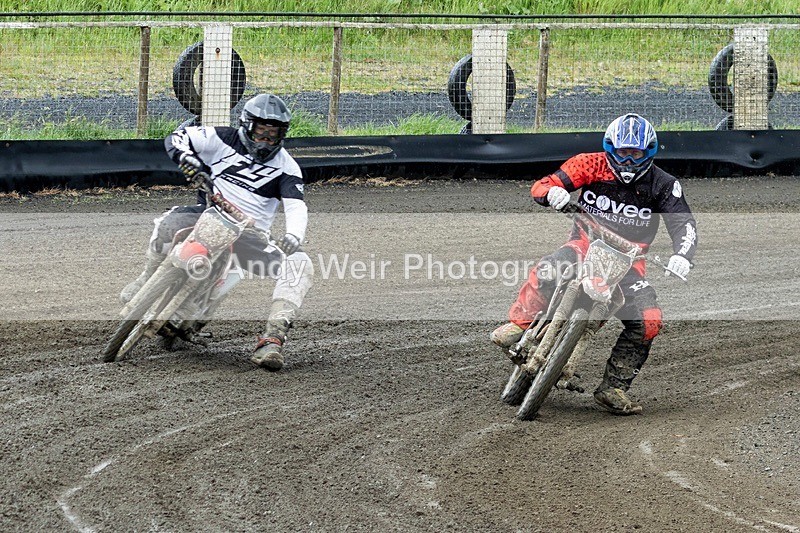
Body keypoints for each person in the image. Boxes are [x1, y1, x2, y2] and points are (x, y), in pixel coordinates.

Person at [491, 113, 697, 415]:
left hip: (630, 263)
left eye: (635, 153)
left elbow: (685, 225)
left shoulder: (664, 184)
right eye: (622, 152)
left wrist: (682, 255)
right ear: (610, 149)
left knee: (649, 321)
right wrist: (553, 193)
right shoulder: (590, 163)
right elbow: (542, 185)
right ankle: (519, 324)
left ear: (648, 151)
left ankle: (613, 386)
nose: (628, 160)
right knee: (550, 266)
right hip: (585, 245)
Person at [120, 93, 314, 371]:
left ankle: (272, 339)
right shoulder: (221, 138)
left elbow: (296, 207)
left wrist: (295, 236)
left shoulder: (287, 167)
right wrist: (187, 158)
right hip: (208, 213)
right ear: (247, 126)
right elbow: (177, 138)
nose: (266, 141)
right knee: (167, 223)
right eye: (261, 132)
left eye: (274, 135)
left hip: (251, 235)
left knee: (300, 264)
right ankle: (145, 281)